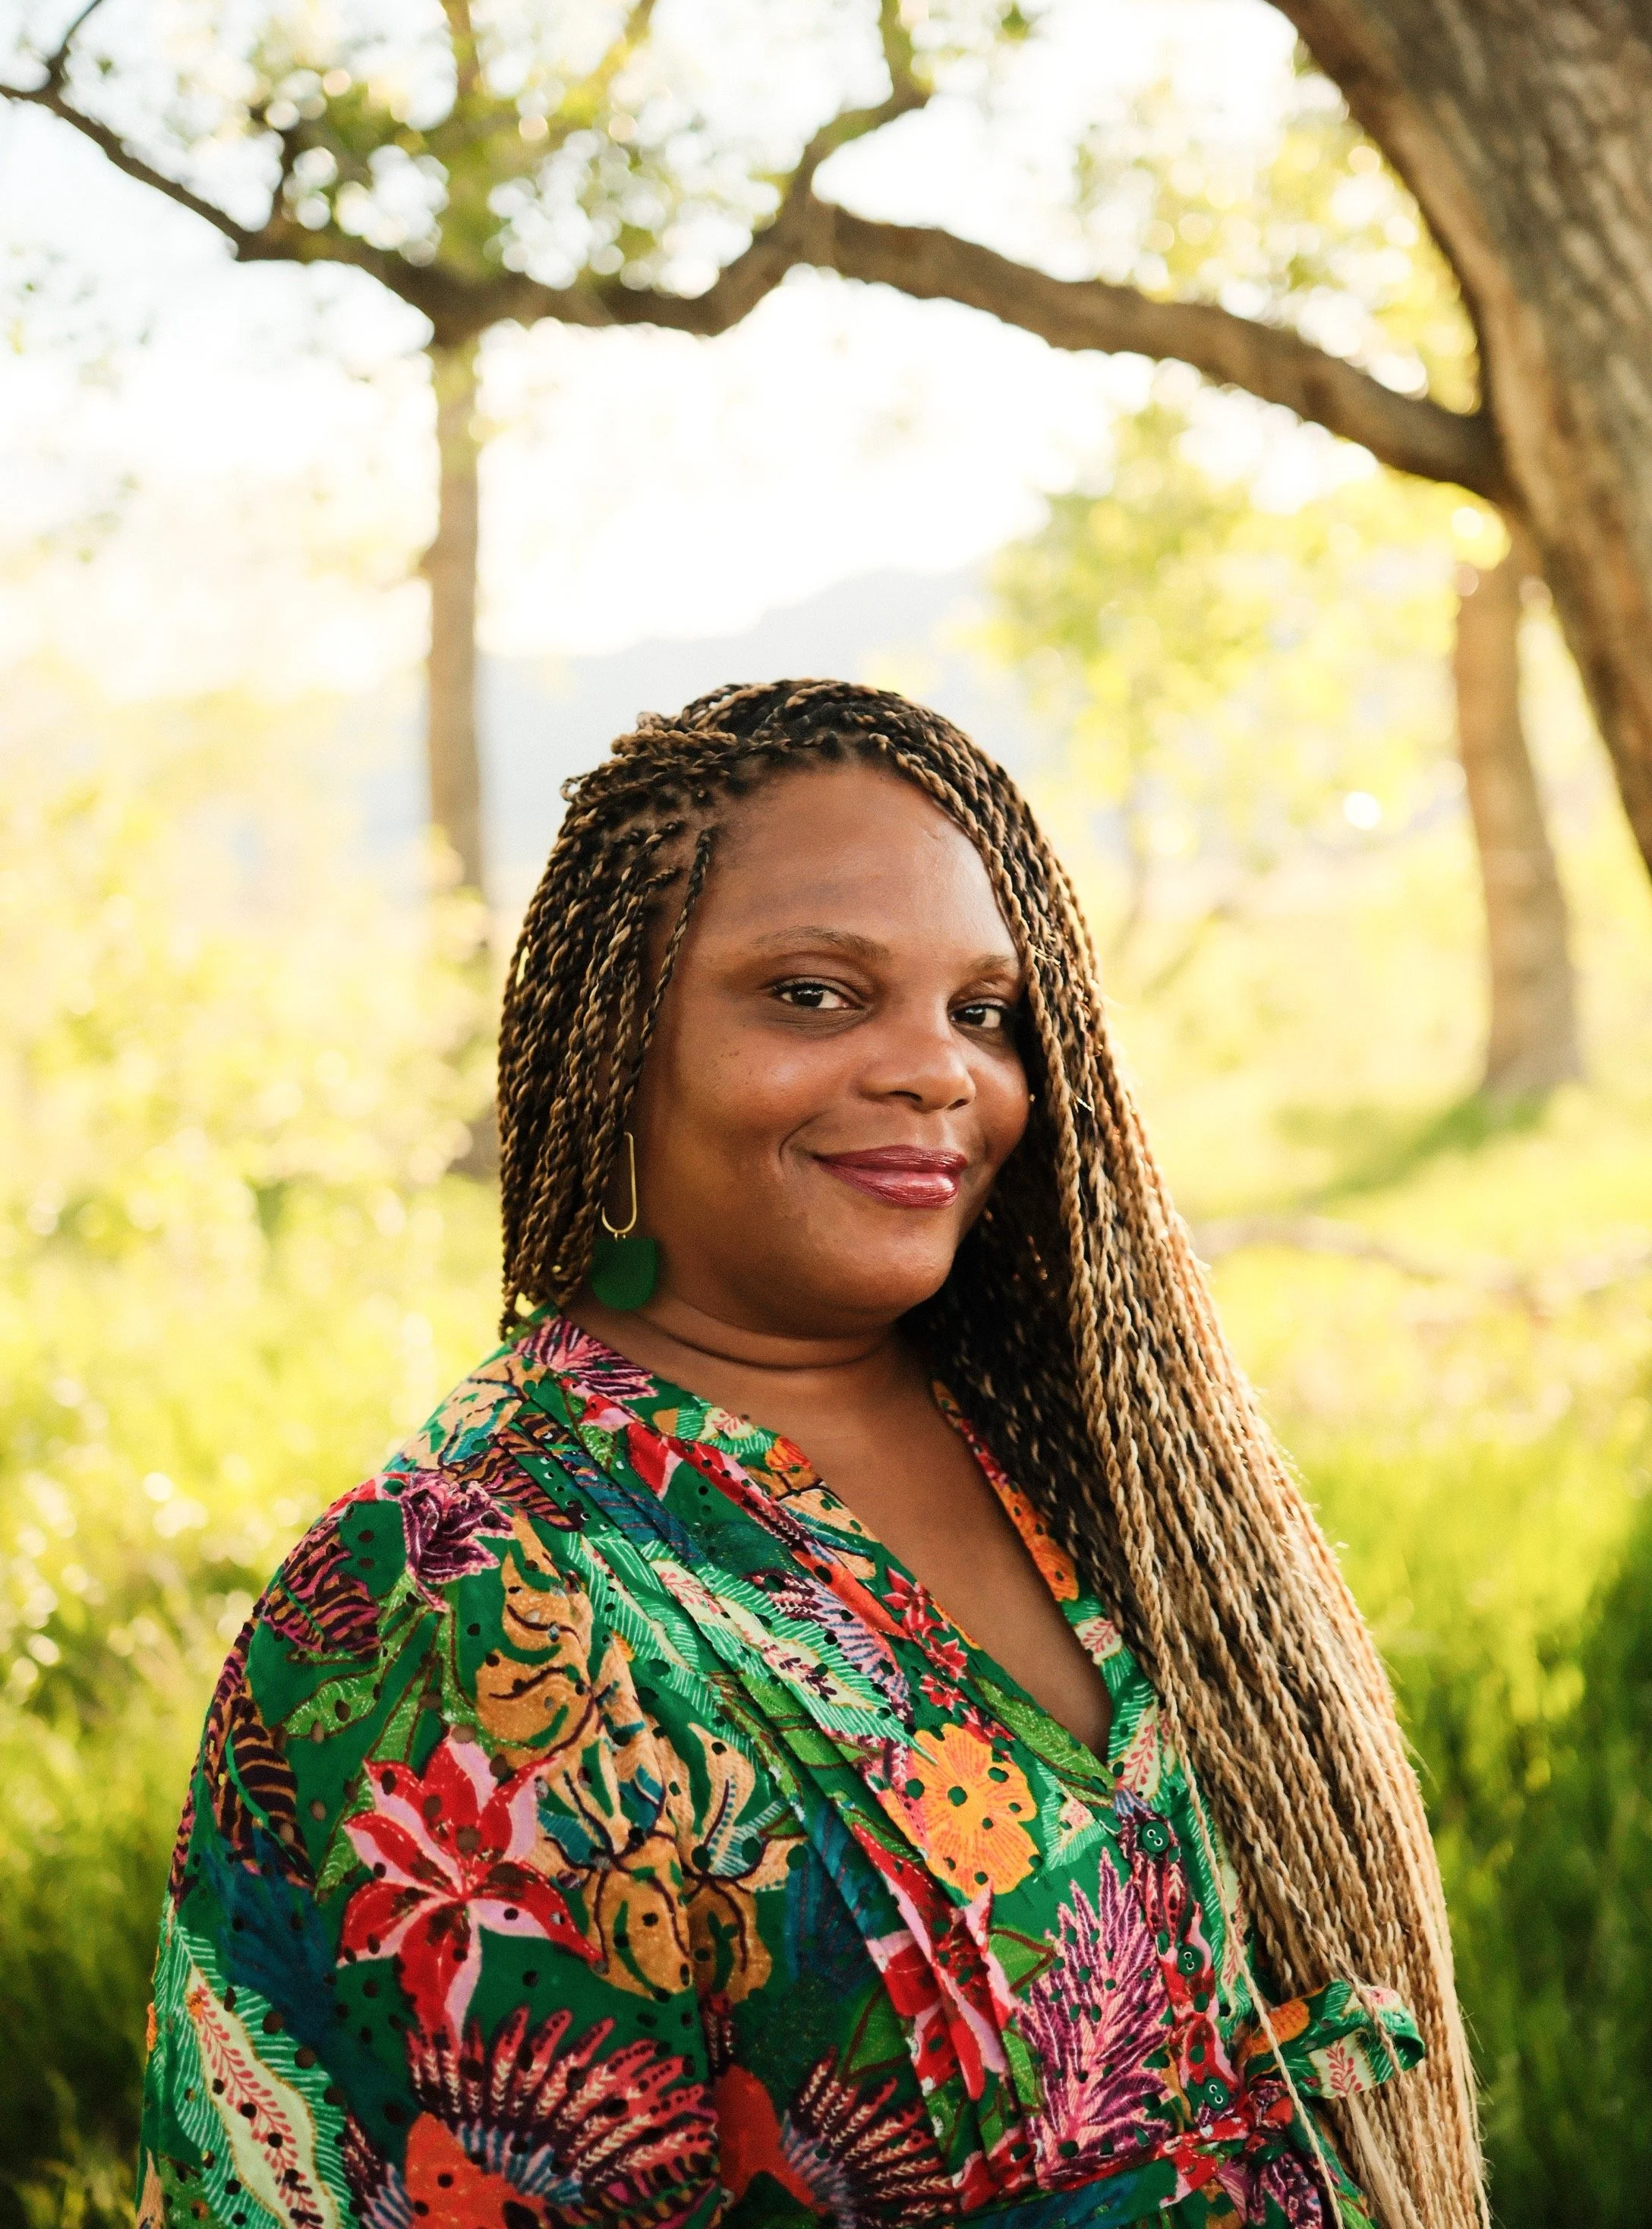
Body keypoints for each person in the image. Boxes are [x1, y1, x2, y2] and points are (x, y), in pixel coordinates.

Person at [138, 681, 1483, 2229]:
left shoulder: (1063, 1446)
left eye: (982, 1013)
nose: (936, 1071)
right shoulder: (451, 1602)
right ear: (612, 1031)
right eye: (814, 994)